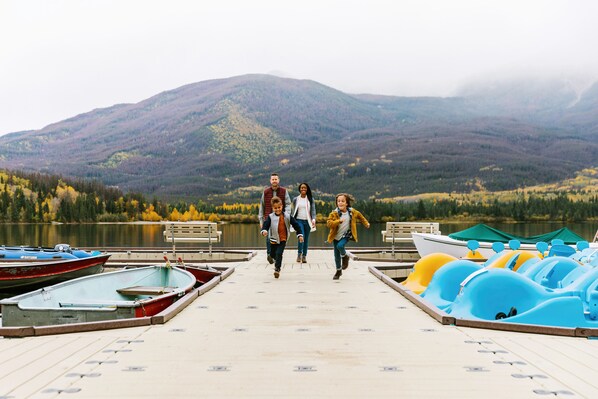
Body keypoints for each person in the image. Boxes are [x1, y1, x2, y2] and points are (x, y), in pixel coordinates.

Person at [326, 193, 370, 280]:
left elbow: (360, 216)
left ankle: (345, 256)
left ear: (346, 203)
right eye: (338, 201)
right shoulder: (334, 213)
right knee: (336, 256)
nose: (340, 203)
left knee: (340, 246)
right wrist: (338, 221)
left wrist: (366, 223)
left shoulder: (352, 212)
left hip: (346, 234)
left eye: (342, 201)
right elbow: (329, 224)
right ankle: (338, 270)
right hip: (335, 236)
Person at [261, 196, 304, 278]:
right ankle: (271, 257)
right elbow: (266, 224)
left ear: (282, 206)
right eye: (275, 208)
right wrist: (264, 231)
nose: (277, 209)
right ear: (273, 208)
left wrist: (300, 235)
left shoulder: (287, 216)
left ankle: (277, 269)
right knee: (273, 254)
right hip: (273, 238)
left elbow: (296, 225)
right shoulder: (270, 217)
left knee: (279, 253)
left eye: (279, 207)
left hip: (283, 239)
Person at [258, 173, 291, 264]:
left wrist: (287, 215)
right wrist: (261, 220)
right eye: (273, 179)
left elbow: (288, 204)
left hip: (281, 218)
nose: (274, 181)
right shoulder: (265, 192)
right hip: (268, 218)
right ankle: (270, 255)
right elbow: (262, 206)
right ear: (270, 181)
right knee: (269, 237)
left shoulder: (284, 191)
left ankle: (276, 255)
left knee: (279, 237)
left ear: (278, 180)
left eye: (276, 179)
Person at [291, 182, 316, 263]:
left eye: (305, 188)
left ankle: (304, 256)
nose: (303, 189)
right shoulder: (296, 199)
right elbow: (293, 210)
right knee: (301, 237)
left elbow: (313, 210)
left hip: (307, 221)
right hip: (298, 221)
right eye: (302, 188)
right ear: (299, 189)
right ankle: (299, 254)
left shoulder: (310, 199)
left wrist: (313, 219)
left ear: (307, 189)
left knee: (306, 239)